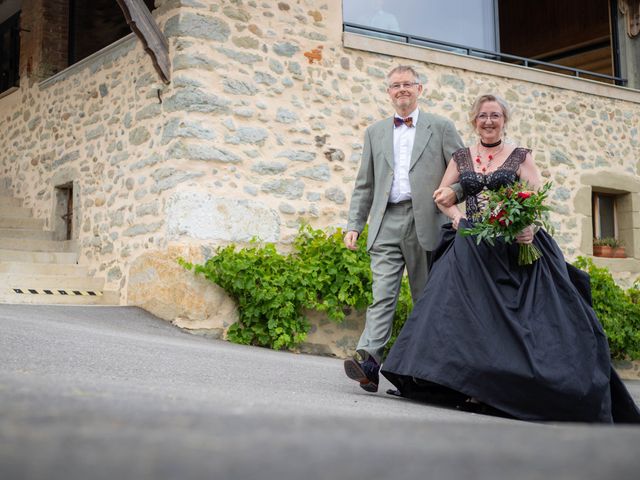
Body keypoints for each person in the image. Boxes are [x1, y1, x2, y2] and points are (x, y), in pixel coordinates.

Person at [381, 94, 640, 423]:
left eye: (495, 116)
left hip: (516, 246)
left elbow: (536, 198)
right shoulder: (462, 156)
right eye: (482, 116)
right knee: (458, 314)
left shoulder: (520, 156)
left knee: (531, 322)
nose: (488, 122)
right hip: (473, 244)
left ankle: (517, 389)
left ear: (504, 120)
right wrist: (457, 217)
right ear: (474, 120)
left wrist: (527, 227)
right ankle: (454, 383)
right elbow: (441, 195)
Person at [343, 65, 465, 393]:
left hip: (427, 219)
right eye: (395, 85)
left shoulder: (441, 127)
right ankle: (368, 360)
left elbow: (465, 173)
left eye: (407, 84)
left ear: (419, 89)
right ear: (388, 92)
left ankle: (424, 373)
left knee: (425, 299)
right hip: (386, 221)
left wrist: (454, 196)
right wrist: (355, 223)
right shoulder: (375, 132)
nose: (401, 90)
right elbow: (364, 184)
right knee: (382, 295)